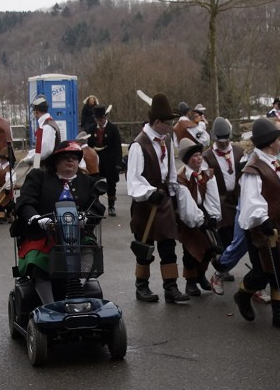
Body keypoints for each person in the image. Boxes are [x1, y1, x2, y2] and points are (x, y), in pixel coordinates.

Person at [14, 140, 101, 308]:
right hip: (44, 235)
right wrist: (38, 219)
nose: (70, 161)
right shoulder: (39, 176)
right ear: (55, 161)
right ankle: (50, 305)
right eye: (65, 157)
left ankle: (76, 297)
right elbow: (25, 202)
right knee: (36, 261)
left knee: (88, 257)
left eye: (74, 158)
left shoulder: (86, 181)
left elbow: (96, 206)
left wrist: (86, 218)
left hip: (77, 236)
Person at [231, 118, 280, 330]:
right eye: (279, 139)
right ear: (270, 142)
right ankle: (243, 294)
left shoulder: (273, 162)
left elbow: (276, 190)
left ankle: (279, 314)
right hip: (262, 229)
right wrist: (263, 219)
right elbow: (251, 200)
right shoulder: (253, 168)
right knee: (263, 273)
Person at [127, 93, 188, 304]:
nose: (171, 127)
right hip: (146, 204)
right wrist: (149, 193)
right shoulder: (139, 145)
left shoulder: (167, 140)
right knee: (144, 247)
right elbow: (133, 180)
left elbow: (170, 171)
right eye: (168, 123)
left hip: (164, 201)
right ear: (157, 122)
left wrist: (173, 193)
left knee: (168, 246)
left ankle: (171, 288)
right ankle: (141, 287)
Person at [174, 138, 221, 298]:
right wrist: (200, 220)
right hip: (189, 217)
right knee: (191, 250)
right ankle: (190, 281)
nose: (199, 158)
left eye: (200, 155)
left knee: (209, 247)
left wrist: (213, 215)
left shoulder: (206, 174)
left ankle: (201, 275)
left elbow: (211, 196)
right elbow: (186, 205)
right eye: (195, 156)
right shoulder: (181, 178)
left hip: (204, 212)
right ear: (188, 159)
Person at [206, 117, 243, 293]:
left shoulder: (239, 151)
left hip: (238, 199)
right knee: (227, 238)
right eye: (220, 140)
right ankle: (221, 269)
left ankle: (223, 268)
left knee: (236, 239)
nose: (224, 143)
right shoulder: (207, 156)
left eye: (226, 139)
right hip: (220, 202)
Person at [89, 104, 122, 216]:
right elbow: (89, 145)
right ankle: (95, 204)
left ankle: (111, 206)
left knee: (111, 183)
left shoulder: (113, 129)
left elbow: (118, 146)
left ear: (105, 118)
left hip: (110, 159)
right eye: (98, 119)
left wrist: (118, 163)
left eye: (102, 119)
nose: (100, 121)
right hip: (96, 160)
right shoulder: (92, 129)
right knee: (95, 182)